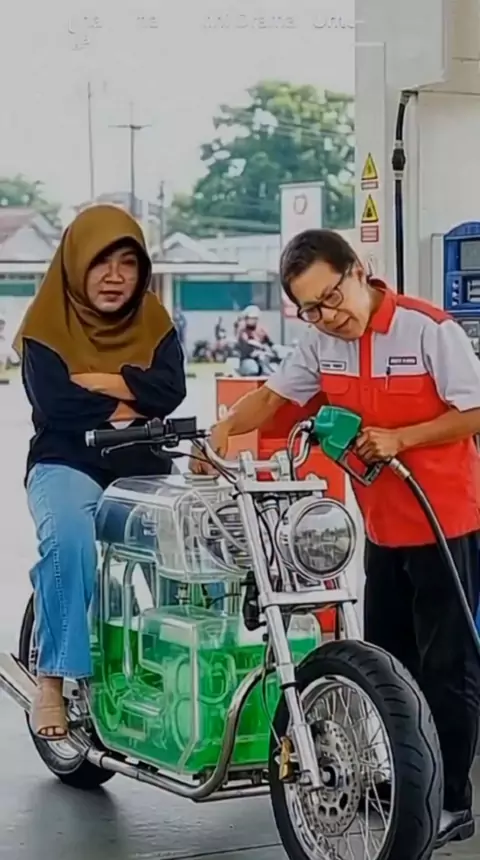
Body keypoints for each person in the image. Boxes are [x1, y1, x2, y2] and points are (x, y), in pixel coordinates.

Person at [192, 228, 480, 849]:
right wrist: (222, 431)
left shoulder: (428, 330)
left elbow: (476, 409)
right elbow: (274, 397)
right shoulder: (321, 343)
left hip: (445, 524)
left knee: (447, 669)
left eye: (332, 297)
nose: (329, 315)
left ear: (358, 271)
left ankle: (453, 800)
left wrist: (403, 438)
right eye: (311, 309)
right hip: (381, 528)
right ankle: (408, 785)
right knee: (388, 667)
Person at [14, 204, 186, 742]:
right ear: (76, 264)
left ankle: (177, 675)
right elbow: (59, 405)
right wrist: (134, 395)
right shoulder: (46, 325)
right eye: (100, 262)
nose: (114, 276)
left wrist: (104, 381)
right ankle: (51, 679)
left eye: (127, 263)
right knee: (68, 541)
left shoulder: (154, 320)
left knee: (195, 544)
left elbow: (170, 391)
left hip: (141, 464)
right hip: (66, 460)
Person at [236, 305, 275, 375]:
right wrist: (255, 352)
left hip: (262, 359)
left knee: (273, 367)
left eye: (255, 318)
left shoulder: (261, 331)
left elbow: (269, 344)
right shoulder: (242, 332)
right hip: (248, 359)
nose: (253, 320)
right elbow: (244, 347)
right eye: (250, 318)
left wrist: (271, 350)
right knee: (252, 368)